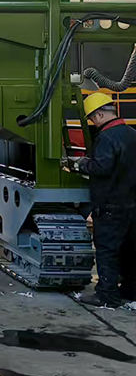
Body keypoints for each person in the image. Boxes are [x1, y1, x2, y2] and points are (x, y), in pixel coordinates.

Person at [72, 92, 136, 307]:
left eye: (92, 118)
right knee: (129, 249)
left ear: (99, 114)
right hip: (132, 205)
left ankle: (107, 295)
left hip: (110, 206)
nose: (93, 122)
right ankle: (130, 290)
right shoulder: (132, 134)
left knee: (107, 251)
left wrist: (81, 164)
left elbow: (102, 167)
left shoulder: (106, 138)